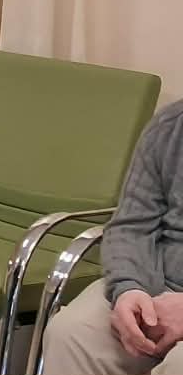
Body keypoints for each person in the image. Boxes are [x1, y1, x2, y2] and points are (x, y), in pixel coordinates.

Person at [40, 101, 183, 373]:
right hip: (155, 284)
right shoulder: (171, 126)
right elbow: (130, 225)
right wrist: (129, 289)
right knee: (71, 333)